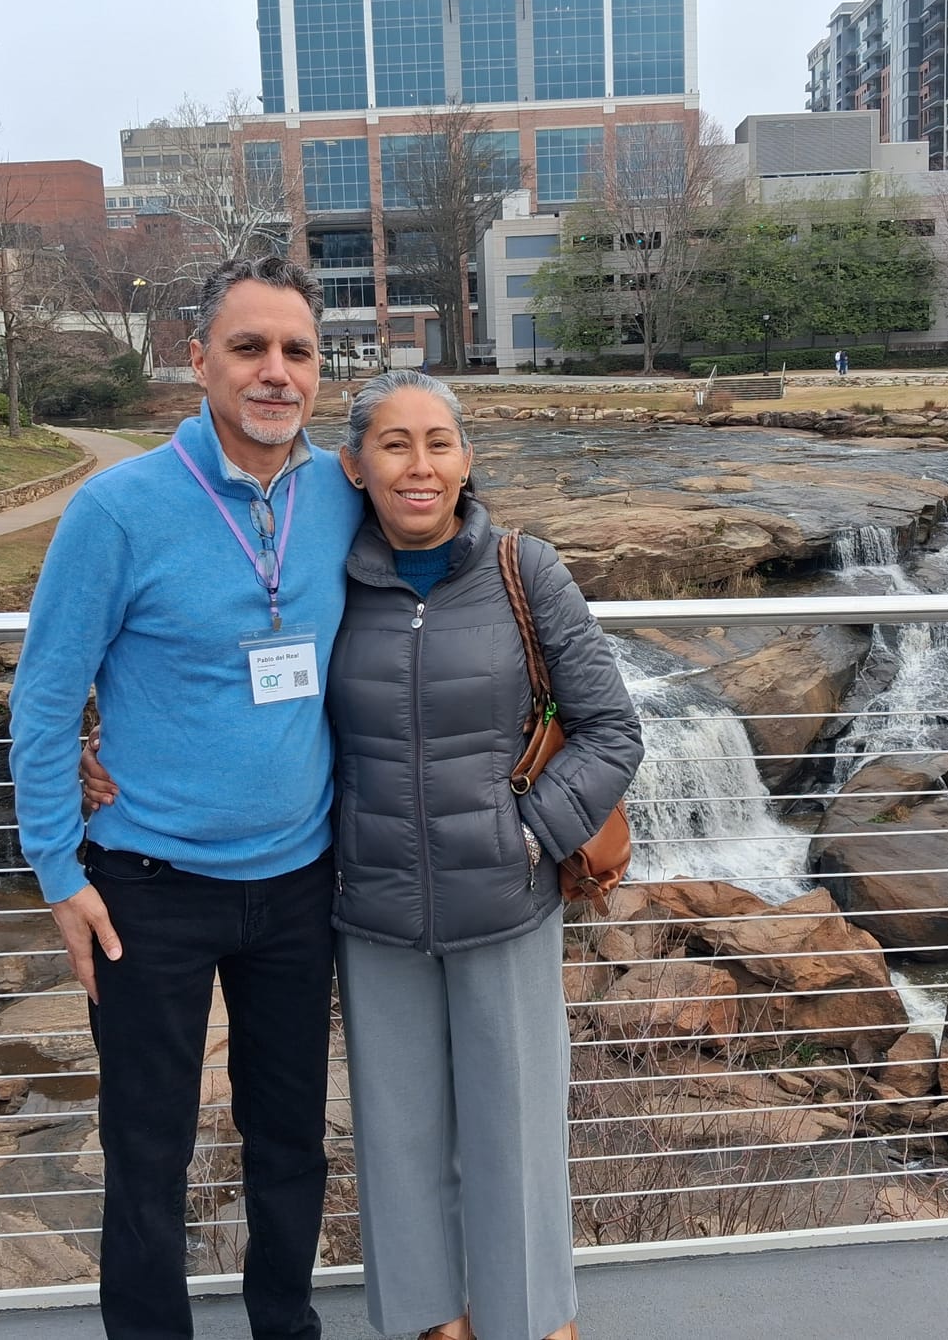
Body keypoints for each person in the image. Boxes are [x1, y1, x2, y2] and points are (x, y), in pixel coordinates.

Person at [84, 372, 644, 1340]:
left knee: (515, 1133)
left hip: (506, 905)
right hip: (372, 910)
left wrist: (527, 833)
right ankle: (433, 1324)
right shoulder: (330, 574)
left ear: (466, 459)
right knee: (396, 1137)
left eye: (438, 442)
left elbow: (612, 731)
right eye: (393, 444)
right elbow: (230, 674)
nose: (418, 465)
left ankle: (531, 1322)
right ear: (353, 466)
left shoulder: (525, 569)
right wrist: (107, 746)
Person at [8, 254, 366, 1340]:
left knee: (291, 1139)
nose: (275, 372)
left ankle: (285, 1327)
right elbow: (45, 697)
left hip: (299, 884)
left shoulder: (342, 495)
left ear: (320, 369)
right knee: (147, 1149)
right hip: (146, 890)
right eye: (249, 347)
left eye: (297, 351)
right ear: (196, 358)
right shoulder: (117, 510)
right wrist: (57, 871)